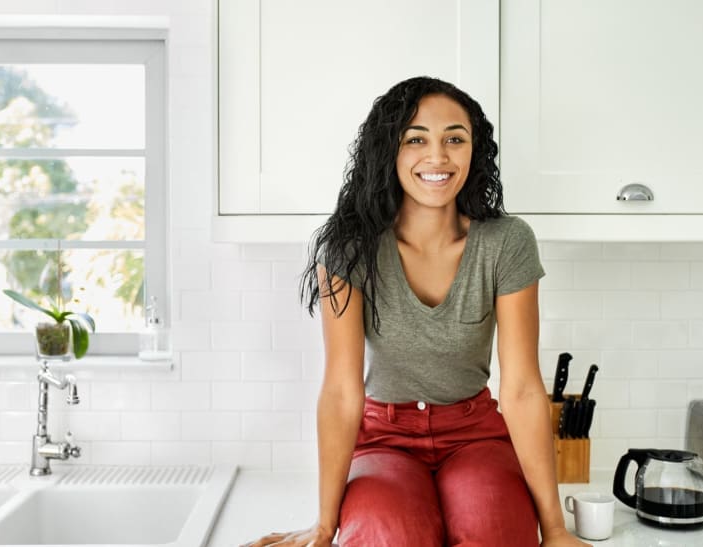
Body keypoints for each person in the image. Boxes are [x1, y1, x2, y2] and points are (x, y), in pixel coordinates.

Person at [245, 76, 590, 547]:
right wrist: (324, 528)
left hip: (475, 434)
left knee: (497, 532)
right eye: (416, 140)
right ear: (389, 150)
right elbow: (342, 391)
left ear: (474, 150)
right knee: (388, 535)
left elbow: (524, 389)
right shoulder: (351, 248)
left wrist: (554, 530)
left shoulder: (506, 243)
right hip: (384, 437)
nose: (438, 157)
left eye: (454, 138)